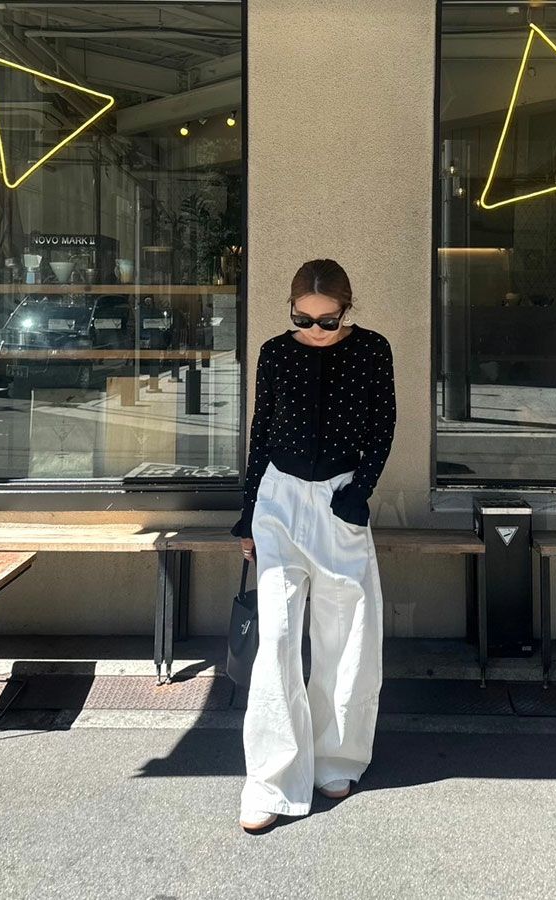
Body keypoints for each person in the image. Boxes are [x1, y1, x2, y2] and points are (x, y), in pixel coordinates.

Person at [230, 258, 396, 831]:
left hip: (339, 498)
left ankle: (336, 758)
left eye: (328, 320)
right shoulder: (276, 353)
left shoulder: (373, 350)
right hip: (279, 498)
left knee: (344, 634)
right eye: (303, 319)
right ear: (292, 309)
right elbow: (261, 432)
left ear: (346, 309)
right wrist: (248, 513)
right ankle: (269, 779)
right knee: (277, 637)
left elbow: (383, 426)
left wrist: (360, 490)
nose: (316, 330)